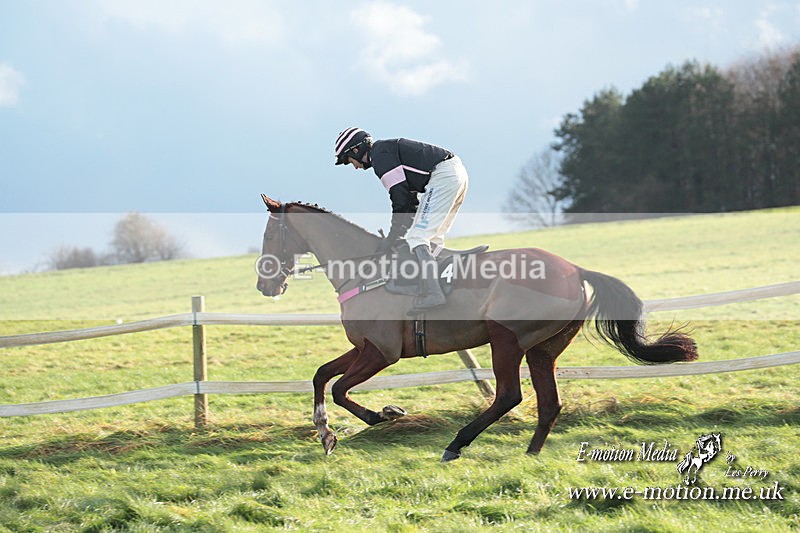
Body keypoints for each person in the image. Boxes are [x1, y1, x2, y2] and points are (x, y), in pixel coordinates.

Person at [334, 127, 469, 313]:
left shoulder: (380, 156)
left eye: (350, 161)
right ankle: (437, 287)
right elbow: (409, 203)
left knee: (417, 237)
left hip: (444, 176)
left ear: (356, 150)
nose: (355, 167)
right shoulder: (384, 153)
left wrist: (392, 236)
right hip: (453, 173)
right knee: (431, 239)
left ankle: (434, 293)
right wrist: (399, 232)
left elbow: (400, 198)